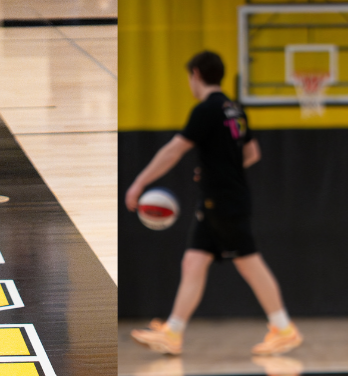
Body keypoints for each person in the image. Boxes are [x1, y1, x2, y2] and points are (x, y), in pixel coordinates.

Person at [125, 50, 302, 357]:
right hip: (218, 199)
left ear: (195, 74)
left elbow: (173, 151)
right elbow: (252, 154)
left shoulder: (205, 110)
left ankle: (284, 328)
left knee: (249, 263)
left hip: (224, 201)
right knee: (193, 262)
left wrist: (140, 183)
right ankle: (173, 333)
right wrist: (218, 168)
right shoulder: (236, 109)